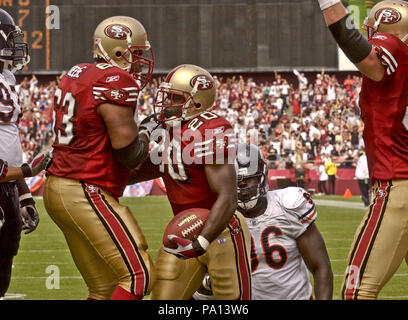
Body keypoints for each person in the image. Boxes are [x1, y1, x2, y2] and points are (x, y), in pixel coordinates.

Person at [43, 16, 156, 300]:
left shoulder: (77, 72)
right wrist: (150, 130)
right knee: (139, 276)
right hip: (84, 189)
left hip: (58, 187)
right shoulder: (115, 79)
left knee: (104, 288)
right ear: (118, 52)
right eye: (136, 53)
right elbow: (129, 154)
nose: (140, 61)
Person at [130, 64, 252, 300]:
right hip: (185, 229)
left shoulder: (211, 128)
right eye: (167, 97)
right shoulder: (170, 130)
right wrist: (141, 138)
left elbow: (228, 196)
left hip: (221, 231)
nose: (166, 105)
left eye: (175, 98)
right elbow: (134, 171)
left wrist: (202, 241)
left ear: (196, 103)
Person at [318, 0, 408, 300]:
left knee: (357, 291)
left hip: (397, 186)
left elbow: (362, 51)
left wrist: (329, 4)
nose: (370, 34)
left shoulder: (395, 47)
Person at [193, 143, 333, 300]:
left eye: (249, 179)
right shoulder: (216, 221)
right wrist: (208, 284)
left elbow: (321, 267)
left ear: (262, 176)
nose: (242, 187)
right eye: (236, 182)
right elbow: (198, 288)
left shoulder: (287, 206)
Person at [0, 8, 50, 300]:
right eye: (9, 37)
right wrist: (29, 171)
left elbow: (9, 144)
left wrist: (24, 193)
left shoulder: (7, 77)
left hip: (6, 183)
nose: (15, 44)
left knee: (8, 248)